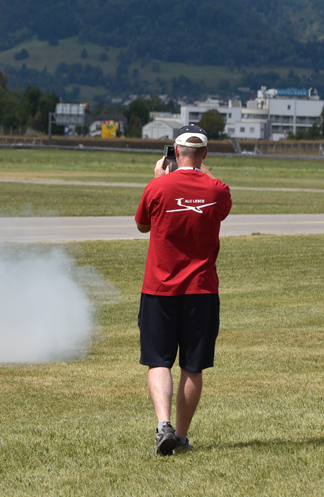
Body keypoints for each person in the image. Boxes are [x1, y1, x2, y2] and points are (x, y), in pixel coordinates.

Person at [135, 124, 231, 455]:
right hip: (201, 291)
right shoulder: (218, 190)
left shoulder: (157, 186)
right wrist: (202, 171)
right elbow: (221, 205)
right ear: (205, 154)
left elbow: (142, 225)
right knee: (193, 365)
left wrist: (160, 179)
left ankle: (163, 425)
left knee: (158, 360)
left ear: (175, 152)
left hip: (159, 288)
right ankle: (182, 436)